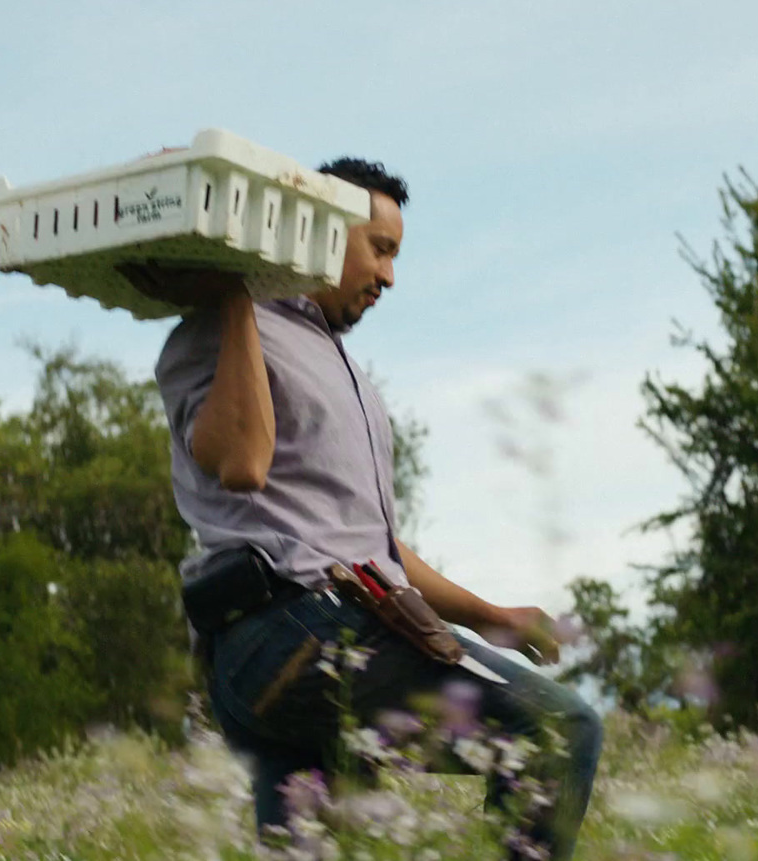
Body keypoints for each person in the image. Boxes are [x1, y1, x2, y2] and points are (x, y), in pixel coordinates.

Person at [127, 157, 602, 859]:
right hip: (284, 630)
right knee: (560, 729)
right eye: (379, 249)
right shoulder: (220, 329)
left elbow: (377, 548)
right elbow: (242, 460)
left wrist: (497, 616)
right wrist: (233, 295)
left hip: (336, 622)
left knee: (329, 845)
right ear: (317, 233)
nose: (388, 276)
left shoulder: (338, 363)